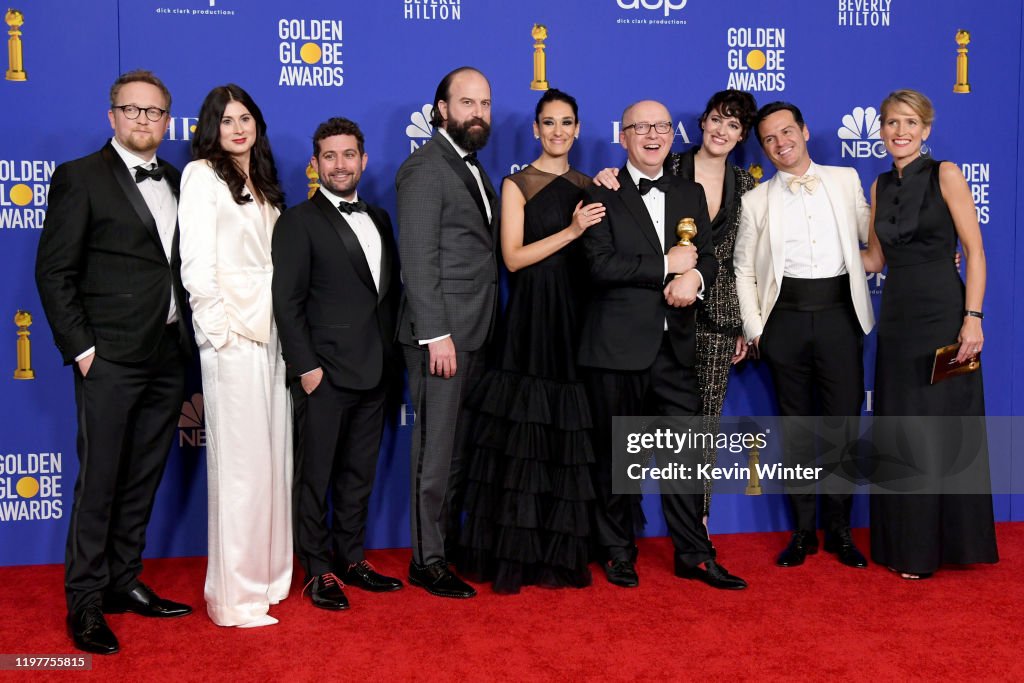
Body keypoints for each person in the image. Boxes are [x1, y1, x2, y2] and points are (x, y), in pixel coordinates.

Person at [35, 69, 193, 656]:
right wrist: (83, 350)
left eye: (154, 112)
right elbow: (54, 272)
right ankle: (85, 601)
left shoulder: (179, 180)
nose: (143, 120)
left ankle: (124, 582)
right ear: (112, 116)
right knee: (100, 481)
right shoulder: (81, 177)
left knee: (143, 478)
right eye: (132, 110)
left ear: (167, 121)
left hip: (167, 356)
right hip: (109, 360)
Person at [579, 99, 746, 590]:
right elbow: (599, 266)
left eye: (661, 126)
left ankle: (694, 553)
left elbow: (712, 259)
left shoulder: (689, 191)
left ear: (673, 135)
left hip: (676, 349)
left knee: (687, 458)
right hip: (616, 348)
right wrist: (666, 268)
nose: (652, 135)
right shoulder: (600, 191)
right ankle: (616, 552)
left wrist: (694, 275)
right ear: (623, 136)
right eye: (640, 127)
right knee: (617, 460)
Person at [459, 89, 605, 593]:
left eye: (567, 122)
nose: (558, 131)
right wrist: (571, 230)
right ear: (536, 130)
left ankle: (560, 554)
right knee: (524, 436)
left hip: (575, 318)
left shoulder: (593, 187)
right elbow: (514, 259)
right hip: (529, 316)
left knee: (567, 437)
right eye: (549, 122)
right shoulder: (516, 184)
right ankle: (515, 555)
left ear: (579, 129)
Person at [863, 89, 998, 579]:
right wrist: (809, 258)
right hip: (897, 322)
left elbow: (975, 252)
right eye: (891, 123)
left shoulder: (946, 174)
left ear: (926, 130)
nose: (899, 132)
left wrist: (973, 317)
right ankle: (909, 546)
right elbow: (875, 260)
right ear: (881, 131)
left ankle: (955, 544)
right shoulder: (878, 185)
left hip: (945, 315)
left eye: (909, 123)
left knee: (946, 426)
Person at [734, 102, 873, 569]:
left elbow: (877, 243)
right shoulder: (755, 200)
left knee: (843, 428)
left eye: (787, 132)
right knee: (795, 432)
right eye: (770, 139)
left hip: (839, 315)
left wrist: (934, 256)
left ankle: (839, 530)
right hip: (784, 323)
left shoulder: (844, 179)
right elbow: (742, 271)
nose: (780, 143)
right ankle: (801, 532)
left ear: (805, 131)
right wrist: (758, 332)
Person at [272, 117, 404, 610]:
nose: (340, 164)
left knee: (357, 475)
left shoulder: (381, 219)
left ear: (363, 161)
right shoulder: (297, 222)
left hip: (375, 371)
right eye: (330, 156)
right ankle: (318, 569)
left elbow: (385, 297)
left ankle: (351, 558)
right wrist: (306, 367)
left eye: (349, 155)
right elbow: (287, 301)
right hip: (323, 375)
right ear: (315, 164)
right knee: (315, 477)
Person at [178, 84, 291, 627]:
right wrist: (217, 333)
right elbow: (195, 262)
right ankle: (234, 599)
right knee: (240, 471)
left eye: (245, 117)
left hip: (272, 336)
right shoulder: (201, 175)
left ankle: (268, 578)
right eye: (226, 120)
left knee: (272, 465)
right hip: (232, 336)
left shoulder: (263, 182)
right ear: (211, 129)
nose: (238, 128)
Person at [396, 66, 499, 599]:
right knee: (434, 453)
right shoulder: (425, 168)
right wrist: (435, 334)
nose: (477, 113)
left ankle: (445, 547)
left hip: (475, 330)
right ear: (441, 109)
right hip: (442, 337)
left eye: (484, 103)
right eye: (466, 103)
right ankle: (426, 561)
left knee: (456, 452)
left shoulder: (471, 166)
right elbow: (417, 258)